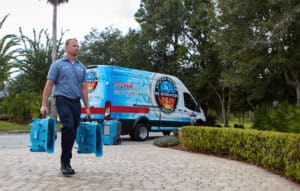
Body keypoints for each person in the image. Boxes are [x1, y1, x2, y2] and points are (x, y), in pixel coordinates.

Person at [40, 38, 90, 176]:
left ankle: (67, 159)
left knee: (72, 131)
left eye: (78, 46)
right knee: (68, 127)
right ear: (66, 47)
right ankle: (65, 163)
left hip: (76, 103)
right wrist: (44, 103)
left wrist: (87, 107)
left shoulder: (82, 67)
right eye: (74, 45)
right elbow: (49, 85)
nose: (77, 47)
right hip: (62, 101)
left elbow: (84, 89)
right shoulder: (57, 65)